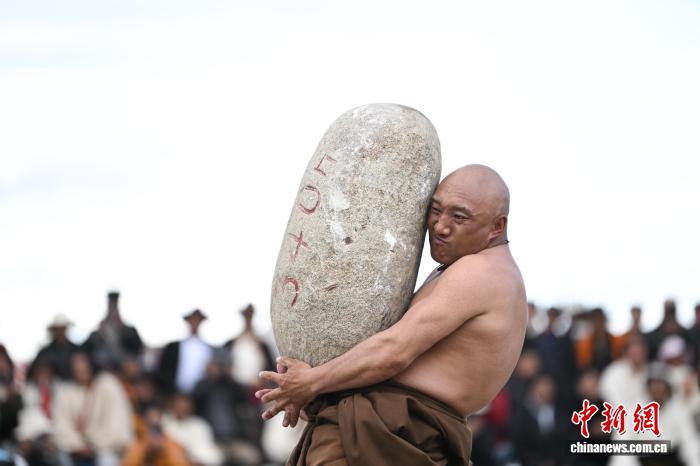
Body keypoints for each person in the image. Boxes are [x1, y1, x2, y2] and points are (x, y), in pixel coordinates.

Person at [258, 164, 527, 466]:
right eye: (435, 210)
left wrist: (312, 382)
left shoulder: (479, 271)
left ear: (497, 227)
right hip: (403, 431)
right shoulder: (493, 274)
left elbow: (395, 350)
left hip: (390, 431)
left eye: (459, 217)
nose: (440, 226)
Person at [82, 291, 143, 371]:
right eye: (111, 306)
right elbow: (87, 348)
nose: (113, 310)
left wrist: (123, 331)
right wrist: (99, 334)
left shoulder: (129, 330)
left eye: (115, 306)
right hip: (105, 369)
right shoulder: (100, 330)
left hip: (125, 366)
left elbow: (138, 348)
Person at [158, 309, 213, 396]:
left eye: (197, 320)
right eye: (192, 320)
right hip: (175, 392)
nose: (194, 323)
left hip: (199, 394)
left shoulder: (207, 348)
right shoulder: (174, 347)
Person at [29, 313, 79, 381]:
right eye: (58, 329)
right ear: (54, 330)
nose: (61, 331)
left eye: (63, 328)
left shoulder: (76, 350)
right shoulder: (45, 353)